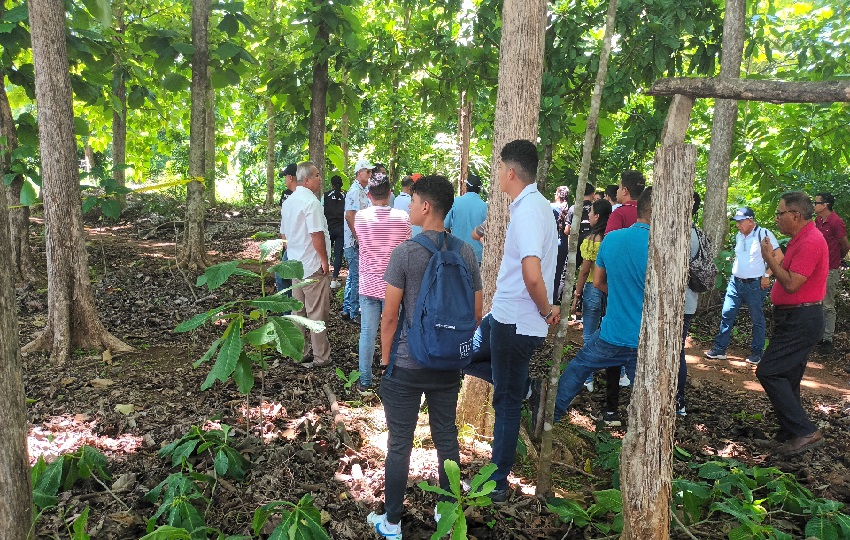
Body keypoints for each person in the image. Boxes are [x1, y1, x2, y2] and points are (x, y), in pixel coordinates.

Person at [367, 175, 482, 538]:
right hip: (448, 363)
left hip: (407, 361)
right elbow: (477, 313)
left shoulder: (405, 253)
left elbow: (389, 315)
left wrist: (386, 360)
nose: (411, 206)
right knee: (446, 437)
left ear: (426, 207)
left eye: (414, 201)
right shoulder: (464, 251)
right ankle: (447, 512)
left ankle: (392, 522)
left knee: (399, 443)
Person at [462, 139, 559, 501]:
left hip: (515, 324)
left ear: (512, 172)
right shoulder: (530, 207)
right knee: (461, 356)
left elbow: (532, 274)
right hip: (501, 317)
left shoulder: (532, 210)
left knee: (504, 403)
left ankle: (497, 482)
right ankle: (526, 389)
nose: (497, 175)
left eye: (500, 168)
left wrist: (547, 310)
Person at [554, 187, 653, 425]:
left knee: (579, 367)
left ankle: (551, 414)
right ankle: (648, 432)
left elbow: (598, 282)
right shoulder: (664, 247)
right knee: (647, 392)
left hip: (614, 331)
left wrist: (620, 291)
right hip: (646, 338)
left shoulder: (613, 239)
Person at [756, 191, 828, 455]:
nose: (777, 218)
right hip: (793, 316)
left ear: (795, 215)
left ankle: (806, 431)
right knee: (788, 376)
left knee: (769, 371)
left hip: (803, 317)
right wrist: (772, 260)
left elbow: (790, 283)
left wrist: (768, 259)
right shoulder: (800, 238)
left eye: (780, 213)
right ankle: (789, 433)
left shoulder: (811, 240)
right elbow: (785, 273)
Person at [354, 172, 411, 392]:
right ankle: (390, 375)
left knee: (367, 331)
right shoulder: (402, 217)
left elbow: (361, 242)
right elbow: (406, 246)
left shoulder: (360, 217)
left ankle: (365, 381)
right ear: (390, 193)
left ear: (369, 194)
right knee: (393, 329)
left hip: (368, 283)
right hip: (393, 286)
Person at [704, 207, 782, 365]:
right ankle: (719, 349)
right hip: (735, 282)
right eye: (736, 222)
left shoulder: (763, 234)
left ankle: (757, 353)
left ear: (750, 220)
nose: (738, 225)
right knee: (727, 313)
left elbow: (779, 256)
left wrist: (767, 275)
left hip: (754, 284)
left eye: (740, 221)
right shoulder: (740, 236)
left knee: (757, 319)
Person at [598, 170, 646, 422]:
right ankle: (641, 413)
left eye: (618, 187)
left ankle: (611, 409)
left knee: (615, 348)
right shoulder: (652, 216)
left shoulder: (618, 214)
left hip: (618, 291)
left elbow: (606, 255)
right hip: (647, 296)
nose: (616, 191)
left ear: (625, 191)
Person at [279, 161, 332, 368]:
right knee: (317, 312)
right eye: (317, 175)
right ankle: (321, 357)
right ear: (307, 180)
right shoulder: (311, 202)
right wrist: (324, 260)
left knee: (298, 311)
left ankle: (298, 352)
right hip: (311, 264)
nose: (320, 179)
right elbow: (316, 233)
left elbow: (284, 233)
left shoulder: (289, 202)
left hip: (295, 263)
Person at [569, 198, 612, 392]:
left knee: (589, 334)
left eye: (591, 212)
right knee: (608, 333)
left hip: (592, 289)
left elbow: (585, 270)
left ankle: (588, 378)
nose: (588, 215)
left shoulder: (592, 240)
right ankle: (617, 374)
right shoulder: (611, 238)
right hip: (609, 290)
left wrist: (576, 293)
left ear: (597, 216)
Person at [813, 192, 849, 355]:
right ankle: (817, 334)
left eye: (816, 202)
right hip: (817, 267)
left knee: (827, 303)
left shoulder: (836, 222)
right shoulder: (818, 220)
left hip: (830, 268)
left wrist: (836, 259)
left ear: (825, 205)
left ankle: (827, 339)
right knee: (816, 301)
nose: (814, 205)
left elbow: (845, 245)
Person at [678, 192, 703, 417]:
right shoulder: (695, 232)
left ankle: (679, 400)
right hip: (688, 302)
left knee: (676, 351)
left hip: (680, 303)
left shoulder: (685, 234)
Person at [342, 159, 373, 324]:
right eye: (367, 172)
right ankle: (354, 311)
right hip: (354, 242)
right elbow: (350, 216)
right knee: (356, 276)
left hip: (357, 240)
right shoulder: (354, 191)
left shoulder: (363, 190)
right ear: (359, 173)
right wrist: (359, 238)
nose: (370, 175)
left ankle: (347, 308)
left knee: (353, 276)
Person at [444, 173, 488, 263]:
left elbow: (445, 226)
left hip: (456, 253)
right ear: (479, 189)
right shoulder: (485, 207)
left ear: (466, 187)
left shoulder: (455, 202)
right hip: (477, 256)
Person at [564, 183, 595, 309]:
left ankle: (563, 302)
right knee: (588, 274)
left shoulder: (574, 208)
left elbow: (567, 230)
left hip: (576, 243)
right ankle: (581, 304)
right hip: (592, 243)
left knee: (568, 273)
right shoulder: (595, 208)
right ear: (593, 194)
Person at [275, 163, 297, 295]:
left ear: (290, 177)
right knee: (284, 275)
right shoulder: (285, 194)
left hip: (296, 242)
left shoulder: (300, 195)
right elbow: (283, 216)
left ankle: (288, 311)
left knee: (283, 276)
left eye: (285, 177)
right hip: (289, 242)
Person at [324, 175, 346, 290]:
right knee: (338, 255)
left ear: (332, 184)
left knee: (326, 253)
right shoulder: (345, 196)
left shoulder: (325, 195)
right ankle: (334, 279)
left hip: (328, 228)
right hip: (341, 229)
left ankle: (325, 276)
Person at [551, 185, 570, 303]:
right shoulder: (569, 208)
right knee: (557, 275)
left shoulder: (550, 207)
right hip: (563, 244)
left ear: (558, 195)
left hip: (552, 244)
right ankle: (553, 301)